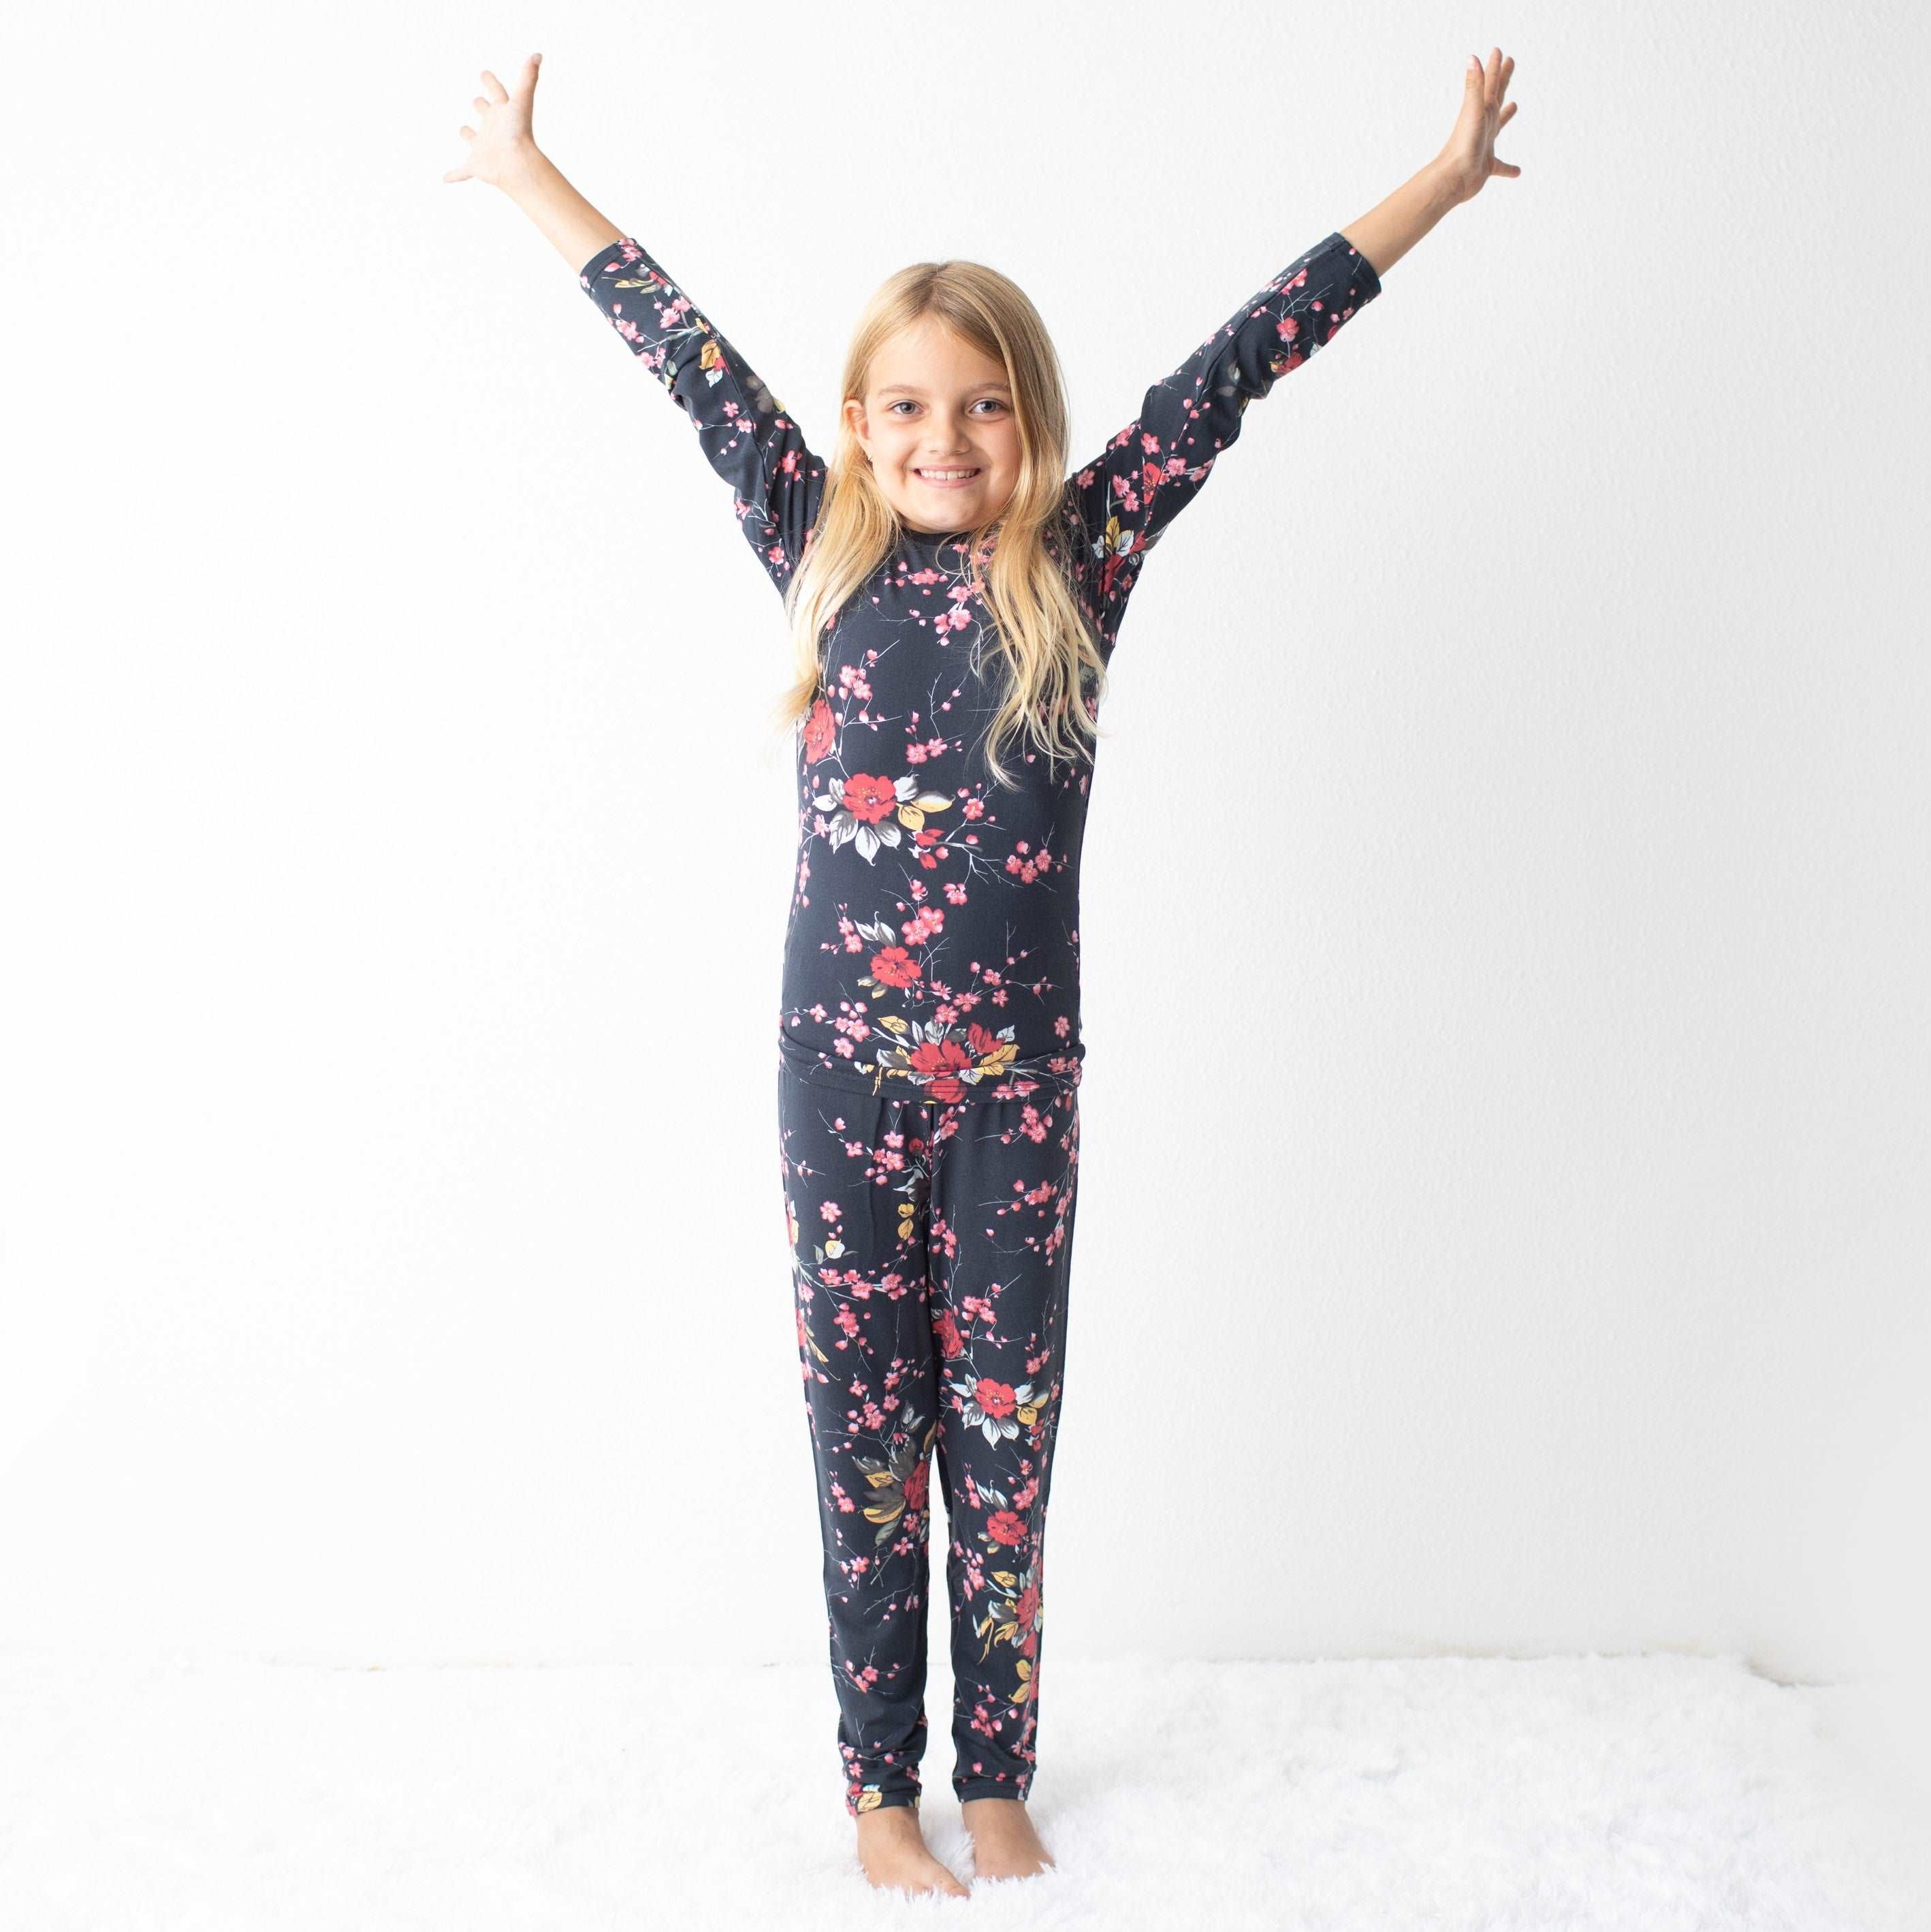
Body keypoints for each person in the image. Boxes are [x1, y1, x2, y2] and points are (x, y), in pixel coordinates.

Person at [443, 46, 1520, 1898]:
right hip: (839, 1085)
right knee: (863, 1440)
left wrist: (1436, 180)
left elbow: (1246, 358)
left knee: (1004, 1443)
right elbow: (683, 355)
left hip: (1017, 1092)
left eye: (984, 407)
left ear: (1032, 421)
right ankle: (881, 1792)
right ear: (859, 429)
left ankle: (995, 1772)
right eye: (907, 409)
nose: (944, 441)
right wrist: (530, 175)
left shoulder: (1079, 558)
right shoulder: (814, 545)